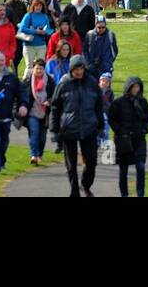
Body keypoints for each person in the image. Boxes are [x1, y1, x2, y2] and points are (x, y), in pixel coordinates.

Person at [49, 54, 104, 197]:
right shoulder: (63, 84)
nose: (79, 72)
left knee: (91, 161)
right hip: (69, 129)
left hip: (89, 128)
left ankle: (85, 184)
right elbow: (55, 108)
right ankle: (74, 192)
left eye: (81, 68)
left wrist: (100, 125)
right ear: (71, 69)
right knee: (71, 165)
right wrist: (54, 130)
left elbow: (99, 106)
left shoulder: (92, 83)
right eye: (76, 69)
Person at [108, 75, 148, 197]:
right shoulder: (118, 102)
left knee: (141, 167)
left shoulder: (142, 102)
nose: (136, 89)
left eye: (138, 86)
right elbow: (112, 119)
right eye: (134, 87)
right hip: (124, 140)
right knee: (123, 169)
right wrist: (120, 131)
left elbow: (147, 118)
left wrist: (144, 130)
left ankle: (140, 194)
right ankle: (124, 194)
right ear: (129, 87)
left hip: (139, 139)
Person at [22, 57, 53, 166]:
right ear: (33, 69)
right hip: (32, 112)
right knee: (34, 132)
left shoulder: (50, 81)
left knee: (42, 136)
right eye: (37, 68)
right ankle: (33, 155)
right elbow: (21, 95)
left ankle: (39, 154)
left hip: (45, 113)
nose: (39, 71)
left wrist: (49, 101)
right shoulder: (27, 81)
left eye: (41, 68)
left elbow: (55, 95)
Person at [18, 0, 54, 73]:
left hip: (41, 45)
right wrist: (35, 31)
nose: (38, 7)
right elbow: (22, 28)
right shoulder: (28, 15)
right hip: (29, 45)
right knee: (30, 67)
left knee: (41, 65)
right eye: (36, 5)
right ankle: (27, 80)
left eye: (40, 6)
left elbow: (49, 29)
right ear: (33, 6)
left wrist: (45, 31)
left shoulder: (44, 16)